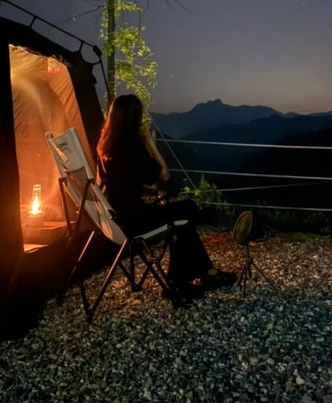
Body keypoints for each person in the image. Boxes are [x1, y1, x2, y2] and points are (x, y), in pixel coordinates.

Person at [97, 93, 236, 302]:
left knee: (182, 220)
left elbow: (119, 183)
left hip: (116, 218)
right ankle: (186, 277)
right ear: (134, 119)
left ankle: (199, 274)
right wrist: (149, 142)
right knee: (188, 210)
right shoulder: (132, 146)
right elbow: (164, 174)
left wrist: (150, 193)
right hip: (134, 221)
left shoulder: (105, 146)